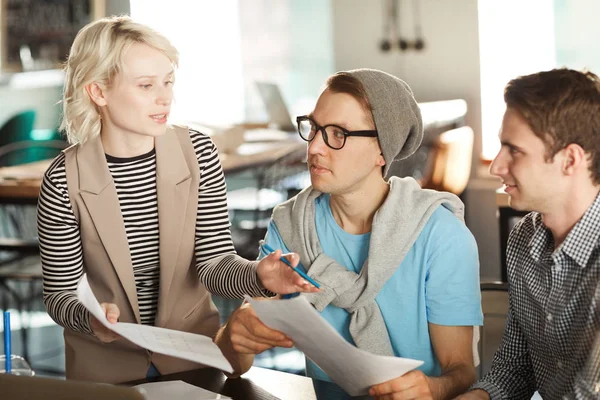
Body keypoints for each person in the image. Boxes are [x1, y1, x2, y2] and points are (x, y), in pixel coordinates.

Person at [36, 16, 316, 384]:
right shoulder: (62, 181)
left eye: (168, 81)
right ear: (98, 92)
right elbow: (61, 294)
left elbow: (214, 264)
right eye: (146, 85)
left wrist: (258, 276)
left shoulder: (198, 153)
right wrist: (88, 317)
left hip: (193, 357)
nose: (164, 97)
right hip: (105, 372)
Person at [221, 68, 484, 399]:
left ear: (382, 152)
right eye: (314, 128)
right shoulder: (290, 224)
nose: (315, 147)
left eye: (338, 134)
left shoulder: (441, 236)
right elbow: (235, 363)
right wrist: (234, 337)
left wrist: (431, 389)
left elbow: (460, 371)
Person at [457, 68, 600, 399]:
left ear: (570, 159)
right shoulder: (524, 238)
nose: (496, 166)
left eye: (514, 150)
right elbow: (515, 367)